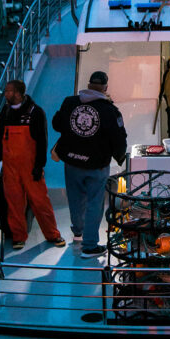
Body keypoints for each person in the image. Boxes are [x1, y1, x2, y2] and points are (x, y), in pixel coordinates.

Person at [51, 70, 127, 259]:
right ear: (105, 87)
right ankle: (90, 246)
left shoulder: (70, 102)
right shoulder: (110, 111)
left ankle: (78, 232)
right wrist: (120, 157)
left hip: (72, 161)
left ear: (88, 84)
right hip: (97, 165)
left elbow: (57, 124)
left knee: (75, 199)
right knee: (95, 203)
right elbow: (119, 139)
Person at [0, 80, 66, 251]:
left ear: (18, 93)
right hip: (10, 168)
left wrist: (39, 165)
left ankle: (53, 234)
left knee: (40, 202)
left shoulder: (36, 112)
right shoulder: (6, 111)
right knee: (14, 203)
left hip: (30, 167)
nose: (5, 94)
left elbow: (42, 141)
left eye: (9, 91)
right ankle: (18, 236)